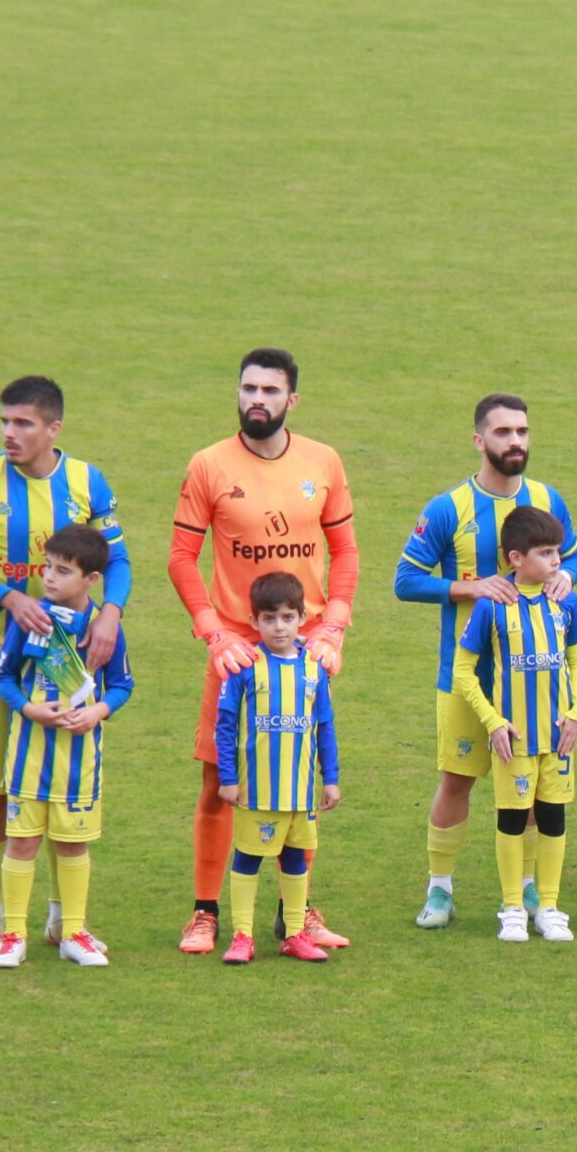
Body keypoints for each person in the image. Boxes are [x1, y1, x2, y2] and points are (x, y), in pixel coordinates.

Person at [169, 347, 359, 954]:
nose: (257, 399)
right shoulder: (208, 465)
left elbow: (346, 553)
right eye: (248, 388)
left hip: (303, 650)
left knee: (301, 775)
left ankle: (294, 915)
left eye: (270, 391)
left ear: (291, 400)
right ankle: (205, 912)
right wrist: (214, 631)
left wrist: (332, 625)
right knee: (218, 777)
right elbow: (181, 558)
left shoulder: (323, 462)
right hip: (236, 650)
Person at [0, 375, 131, 958]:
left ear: (53, 429)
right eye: (5, 422)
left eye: (22, 423)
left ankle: (59, 919)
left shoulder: (86, 480)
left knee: (63, 787)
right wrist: (10, 598)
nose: (9, 433)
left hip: (71, 666)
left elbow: (116, 559)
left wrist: (110, 615)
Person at [392, 393, 577, 929]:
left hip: (535, 684)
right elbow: (405, 581)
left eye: (522, 431)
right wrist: (471, 587)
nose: (515, 441)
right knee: (457, 782)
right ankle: (439, 889)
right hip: (467, 677)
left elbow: (574, 557)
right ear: (480, 441)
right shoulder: (447, 508)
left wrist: (571, 573)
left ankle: (526, 889)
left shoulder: (548, 499)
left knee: (530, 784)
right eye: (502, 432)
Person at [0, 525, 134, 967]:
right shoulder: (30, 619)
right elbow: (2, 677)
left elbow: (123, 685)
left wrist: (97, 712)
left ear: (91, 579)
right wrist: (29, 710)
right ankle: (12, 936)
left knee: (72, 846)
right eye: (48, 567)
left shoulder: (103, 628)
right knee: (22, 843)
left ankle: (72, 933)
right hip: (29, 758)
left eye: (62, 571)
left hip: (79, 762)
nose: (48, 577)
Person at [453, 506, 577, 942]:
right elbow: (463, 670)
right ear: (516, 558)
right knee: (512, 822)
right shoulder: (491, 605)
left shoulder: (565, 601)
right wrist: (494, 722)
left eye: (558, 552)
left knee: (553, 819)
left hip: (558, 739)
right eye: (547, 553)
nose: (556, 561)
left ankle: (549, 907)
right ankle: (512, 907)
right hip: (514, 739)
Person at [213, 572, 344, 964]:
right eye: (269, 619)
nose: (279, 626)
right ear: (254, 622)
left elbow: (324, 725)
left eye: (287, 617)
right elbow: (225, 725)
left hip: (300, 791)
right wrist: (228, 778)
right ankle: (242, 935)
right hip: (258, 790)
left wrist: (331, 778)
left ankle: (293, 934)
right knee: (248, 856)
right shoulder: (245, 667)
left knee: (295, 857)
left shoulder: (314, 669)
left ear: (302, 618)